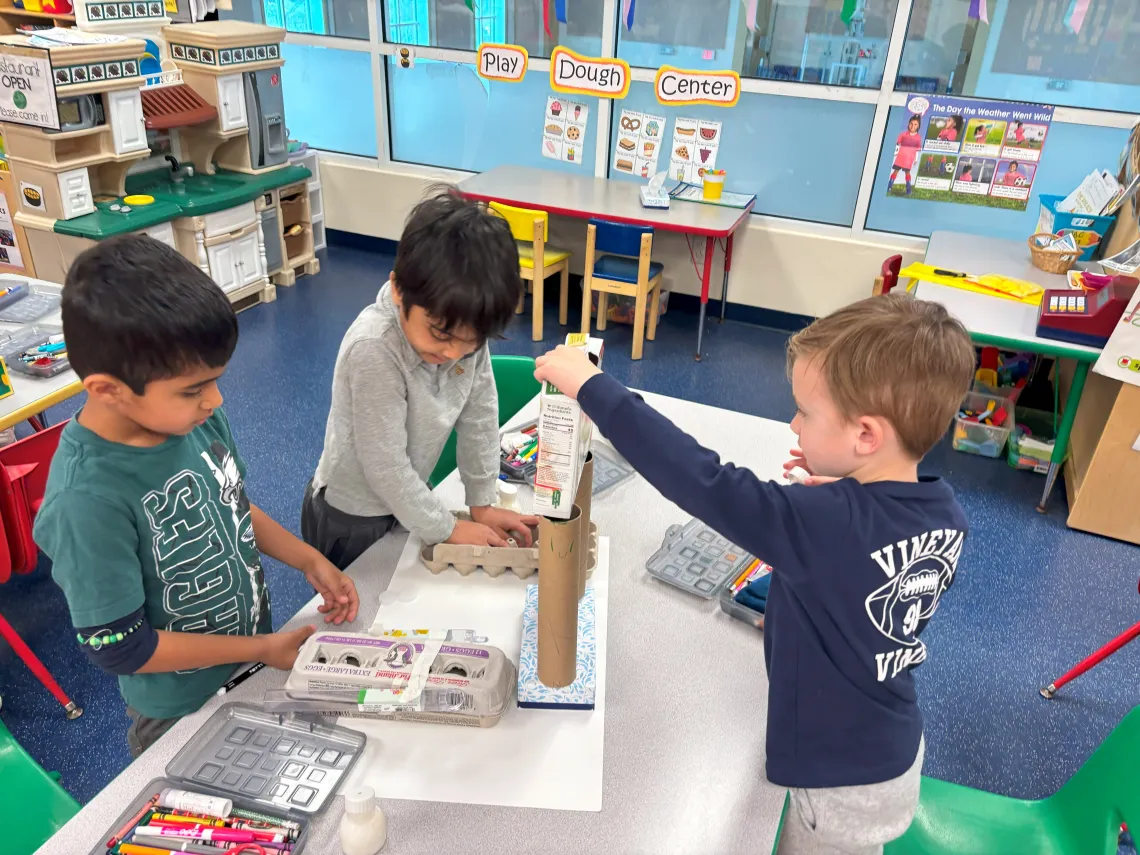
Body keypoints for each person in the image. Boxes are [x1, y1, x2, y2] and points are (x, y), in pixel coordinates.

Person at [533, 294, 975, 855]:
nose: (793, 422)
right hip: (891, 751)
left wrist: (593, 388)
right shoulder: (945, 514)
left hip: (832, 786)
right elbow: (877, 585)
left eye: (806, 414)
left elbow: (703, 480)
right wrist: (845, 495)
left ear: (865, 436)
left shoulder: (825, 525)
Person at [34, 235, 359, 758]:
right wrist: (261, 648)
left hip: (251, 666)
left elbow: (231, 504)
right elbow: (123, 648)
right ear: (108, 390)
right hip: (177, 712)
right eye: (194, 389)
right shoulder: (85, 501)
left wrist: (307, 558)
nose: (217, 399)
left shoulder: (192, 421)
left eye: (215, 381)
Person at [304, 187, 538, 570]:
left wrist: (481, 503)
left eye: (471, 342)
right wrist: (445, 528)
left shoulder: (463, 332)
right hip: (352, 514)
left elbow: (479, 416)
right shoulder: (375, 348)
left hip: (408, 492)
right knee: (365, 602)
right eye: (441, 334)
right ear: (398, 289)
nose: (452, 353)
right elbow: (384, 466)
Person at [889, 115, 922, 195]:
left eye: (915, 124)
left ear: (918, 126)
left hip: (908, 159)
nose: (912, 126)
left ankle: (908, 188)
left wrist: (916, 159)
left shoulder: (918, 137)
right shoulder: (903, 134)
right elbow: (897, 144)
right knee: (895, 171)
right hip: (900, 157)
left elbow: (917, 150)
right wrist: (895, 153)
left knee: (907, 173)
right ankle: (889, 186)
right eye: (911, 123)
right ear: (908, 124)